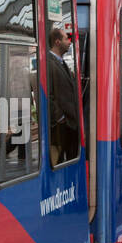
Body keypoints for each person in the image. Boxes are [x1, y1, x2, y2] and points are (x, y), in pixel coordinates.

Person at [47, 27, 79, 164]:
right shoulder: (49, 63)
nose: (70, 42)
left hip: (71, 123)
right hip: (61, 126)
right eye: (67, 38)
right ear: (57, 42)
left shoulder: (62, 62)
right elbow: (48, 94)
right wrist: (60, 117)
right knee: (59, 163)